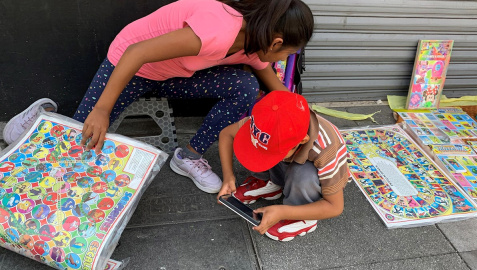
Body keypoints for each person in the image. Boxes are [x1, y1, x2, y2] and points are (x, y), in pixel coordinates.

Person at [2, 0, 314, 194]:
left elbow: (279, 92)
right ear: (276, 42)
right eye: (288, 53)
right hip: (129, 66)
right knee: (76, 142)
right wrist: (102, 109)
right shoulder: (218, 30)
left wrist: (307, 123)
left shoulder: (254, 45)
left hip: (174, 76)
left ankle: (188, 156)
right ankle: (38, 118)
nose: (284, 58)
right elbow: (136, 52)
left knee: (245, 87)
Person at [217, 91, 349, 241]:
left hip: (313, 173)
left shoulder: (327, 149)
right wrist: (228, 177)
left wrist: (284, 212)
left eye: (273, 153)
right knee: (252, 147)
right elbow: (226, 134)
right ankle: (271, 183)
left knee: (302, 174)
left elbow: (335, 206)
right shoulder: (265, 121)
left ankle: (302, 215)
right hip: (288, 161)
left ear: (303, 140)